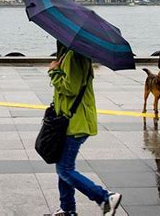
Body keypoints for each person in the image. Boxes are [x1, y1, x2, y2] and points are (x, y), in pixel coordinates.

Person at [48, 41, 122, 216]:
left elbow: (70, 88)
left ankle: (105, 198)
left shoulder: (74, 56)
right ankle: (67, 208)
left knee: (64, 169)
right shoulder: (72, 53)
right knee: (64, 166)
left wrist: (53, 71)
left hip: (75, 121)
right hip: (71, 120)